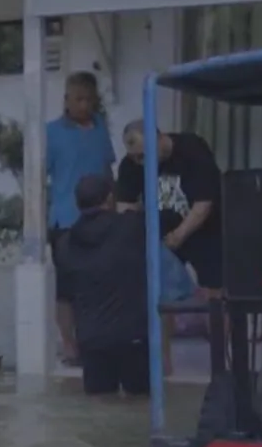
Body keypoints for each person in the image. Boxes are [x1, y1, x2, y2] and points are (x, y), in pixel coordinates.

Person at [117, 120, 223, 374]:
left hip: (205, 229)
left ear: (159, 138)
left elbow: (204, 203)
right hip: (162, 235)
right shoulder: (131, 164)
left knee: (215, 291)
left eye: (144, 156)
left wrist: (180, 234)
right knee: (158, 295)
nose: (141, 162)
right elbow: (124, 207)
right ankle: (162, 362)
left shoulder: (192, 150)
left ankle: (221, 358)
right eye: (136, 158)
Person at [56, 174, 150, 396]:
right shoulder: (131, 227)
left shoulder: (65, 243)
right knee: (139, 408)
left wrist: (69, 343)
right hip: (132, 337)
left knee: (100, 407)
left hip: (91, 341)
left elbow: (63, 302)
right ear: (109, 199)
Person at [46, 71, 117, 366]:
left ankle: (98, 341)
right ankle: (70, 346)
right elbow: (39, 178)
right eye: (78, 99)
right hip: (65, 220)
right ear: (66, 99)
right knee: (67, 287)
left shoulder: (102, 128)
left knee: (102, 284)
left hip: (104, 220)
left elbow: (108, 171)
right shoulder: (50, 132)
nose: (84, 105)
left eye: (89, 99)